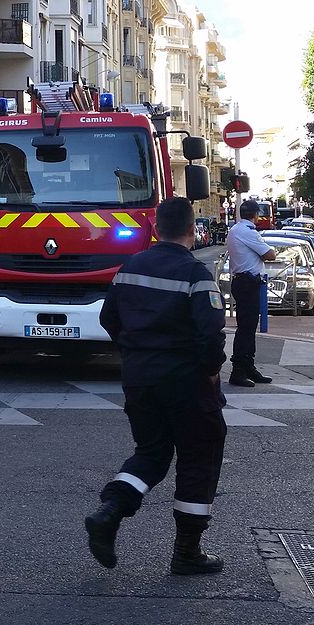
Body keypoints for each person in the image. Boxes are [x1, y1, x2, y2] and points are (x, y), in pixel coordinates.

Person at [85, 197, 228, 576]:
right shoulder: (196, 274)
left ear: (154, 228)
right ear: (192, 230)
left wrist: (136, 352)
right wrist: (212, 371)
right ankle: (187, 553)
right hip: (187, 383)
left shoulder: (130, 267)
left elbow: (108, 317)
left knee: (151, 453)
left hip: (140, 378)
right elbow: (210, 333)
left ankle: (110, 511)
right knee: (199, 458)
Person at [224, 199, 277, 388]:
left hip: (242, 282)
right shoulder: (248, 232)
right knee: (246, 329)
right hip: (248, 284)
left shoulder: (236, 230)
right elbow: (270, 255)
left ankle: (248, 367)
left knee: (247, 328)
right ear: (256, 215)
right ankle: (238, 370)